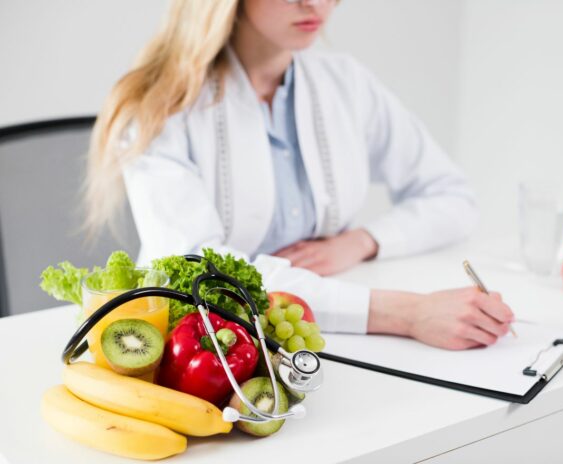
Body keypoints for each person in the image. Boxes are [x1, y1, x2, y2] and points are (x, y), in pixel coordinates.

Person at [85, 0, 515, 350]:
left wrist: (362, 241)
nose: (315, 3)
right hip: (204, 343)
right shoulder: (160, 104)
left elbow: (452, 197)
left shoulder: (346, 82)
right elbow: (198, 270)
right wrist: (408, 314)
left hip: (333, 334)